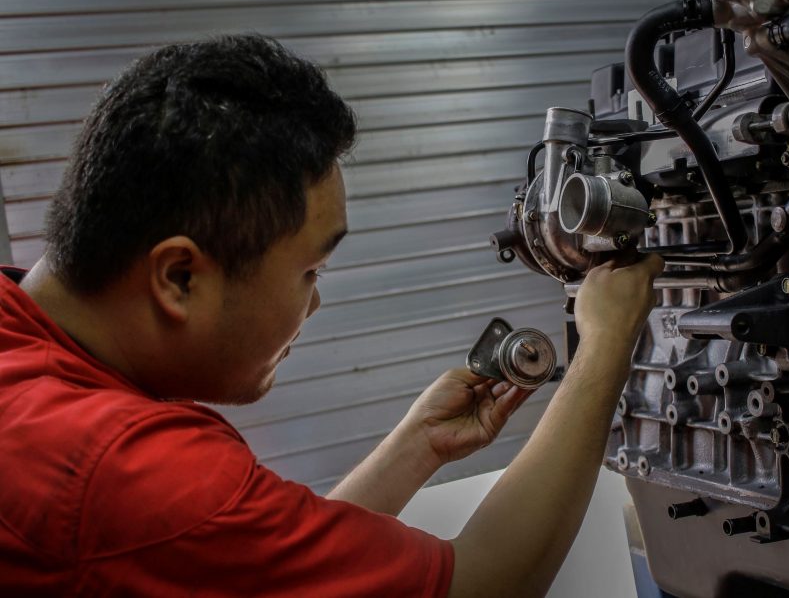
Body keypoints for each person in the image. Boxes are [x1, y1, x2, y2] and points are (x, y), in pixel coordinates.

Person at [0, 34, 662, 597]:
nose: (315, 302)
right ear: (179, 276)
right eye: (309, 271)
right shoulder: (126, 472)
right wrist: (605, 341)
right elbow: (481, 586)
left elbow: (253, 564)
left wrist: (415, 448)